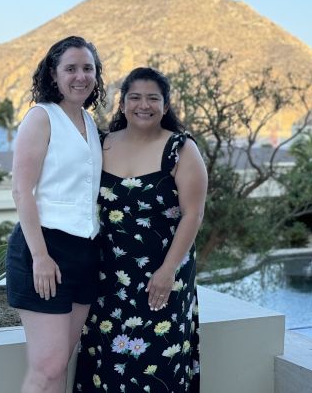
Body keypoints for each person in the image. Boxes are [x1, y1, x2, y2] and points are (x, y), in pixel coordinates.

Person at [74, 67, 207, 392]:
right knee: (105, 362)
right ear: (122, 104)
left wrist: (167, 271)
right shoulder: (100, 145)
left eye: (152, 98)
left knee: (157, 362)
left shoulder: (180, 149)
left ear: (165, 105)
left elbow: (193, 214)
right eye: (134, 97)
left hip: (162, 277)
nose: (143, 105)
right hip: (108, 276)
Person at [6, 36, 106, 393]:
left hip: (85, 252)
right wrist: (41, 257)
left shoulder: (89, 122)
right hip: (44, 249)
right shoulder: (41, 117)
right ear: (53, 73)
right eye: (71, 68)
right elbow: (22, 191)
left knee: (61, 363)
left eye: (88, 68)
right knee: (47, 366)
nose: (81, 76)